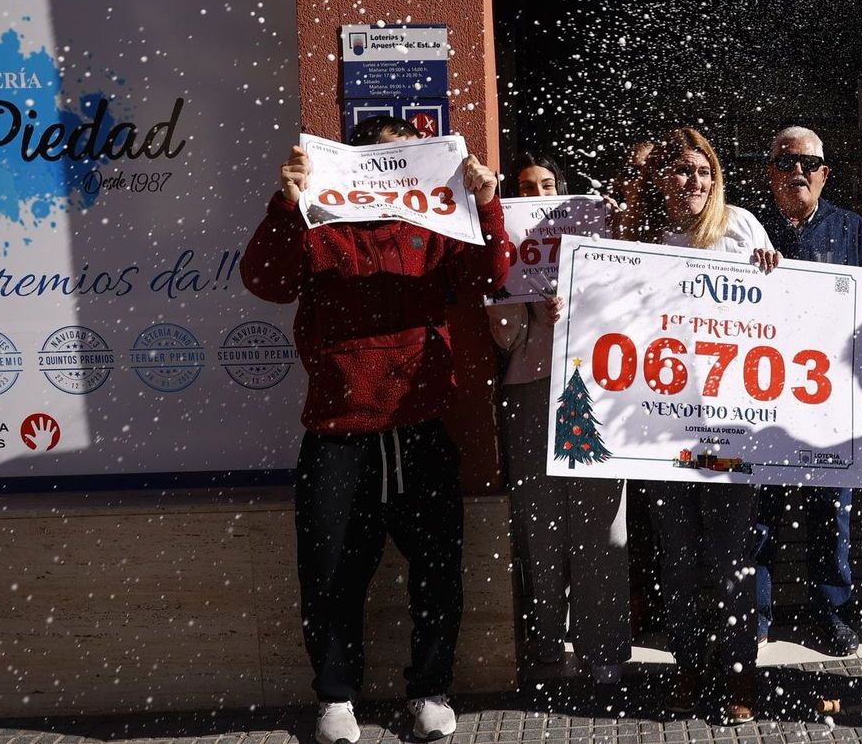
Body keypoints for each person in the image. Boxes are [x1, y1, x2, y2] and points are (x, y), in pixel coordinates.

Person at [241, 115, 509, 744]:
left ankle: (429, 690)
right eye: (384, 160)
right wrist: (285, 206)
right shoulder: (316, 224)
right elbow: (265, 281)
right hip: (338, 432)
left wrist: (488, 205)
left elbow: (487, 276)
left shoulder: (431, 227)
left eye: (408, 159)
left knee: (438, 567)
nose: (396, 171)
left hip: (420, 428)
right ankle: (336, 698)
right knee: (331, 570)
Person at [622, 126, 780, 724]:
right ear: (661, 177)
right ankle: (688, 668)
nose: (695, 182)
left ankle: (739, 675)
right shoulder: (639, 235)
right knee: (679, 559)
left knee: (732, 558)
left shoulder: (739, 226)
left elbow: (776, 309)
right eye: (683, 170)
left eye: (705, 171)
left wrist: (772, 269)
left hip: (732, 430)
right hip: (662, 431)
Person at [486, 151, 632, 692]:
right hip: (528, 389)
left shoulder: (599, 234)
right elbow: (502, 337)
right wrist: (527, 311)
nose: (540, 195)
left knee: (600, 522)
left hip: (594, 389)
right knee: (539, 521)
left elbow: (633, 307)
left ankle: (605, 646)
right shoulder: (500, 245)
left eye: (549, 185)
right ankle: (547, 637)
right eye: (528, 187)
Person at [753, 126, 862, 657]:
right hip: (759, 404)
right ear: (768, 174)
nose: (798, 172)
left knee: (829, 515)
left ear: (824, 174)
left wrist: (839, 304)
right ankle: (755, 617)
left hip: (828, 407)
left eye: (808, 164)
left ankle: (832, 616)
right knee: (758, 517)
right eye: (785, 163)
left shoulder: (852, 230)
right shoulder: (747, 229)